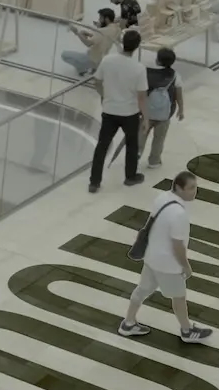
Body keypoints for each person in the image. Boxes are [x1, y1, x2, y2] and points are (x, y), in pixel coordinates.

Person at [118, 170, 209, 342]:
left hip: (152, 256)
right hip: (168, 264)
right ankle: (187, 331)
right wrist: (185, 266)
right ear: (179, 188)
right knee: (179, 297)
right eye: (191, 188)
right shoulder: (179, 214)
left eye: (195, 187)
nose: (195, 191)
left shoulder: (162, 198)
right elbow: (177, 246)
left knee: (142, 289)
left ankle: (128, 323)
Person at [87, 30, 146, 194]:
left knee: (102, 146)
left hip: (109, 110)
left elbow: (96, 81)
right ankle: (130, 176)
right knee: (132, 145)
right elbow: (142, 97)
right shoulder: (139, 68)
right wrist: (146, 117)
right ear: (137, 47)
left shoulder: (108, 60)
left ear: (121, 42)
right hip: (130, 113)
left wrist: (104, 95)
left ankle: (94, 181)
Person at [141, 47, 183, 171]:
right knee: (159, 139)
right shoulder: (175, 75)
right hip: (165, 114)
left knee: (141, 136)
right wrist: (181, 110)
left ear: (157, 60)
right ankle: (154, 161)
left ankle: (136, 155)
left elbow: (140, 93)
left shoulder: (146, 72)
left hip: (146, 114)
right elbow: (178, 96)